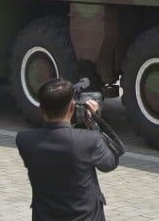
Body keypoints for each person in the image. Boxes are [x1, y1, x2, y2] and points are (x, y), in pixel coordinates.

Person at [16, 78, 120, 221]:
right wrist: (94, 123)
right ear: (72, 107)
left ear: (40, 109)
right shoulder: (89, 140)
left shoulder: (24, 140)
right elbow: (109, 163)